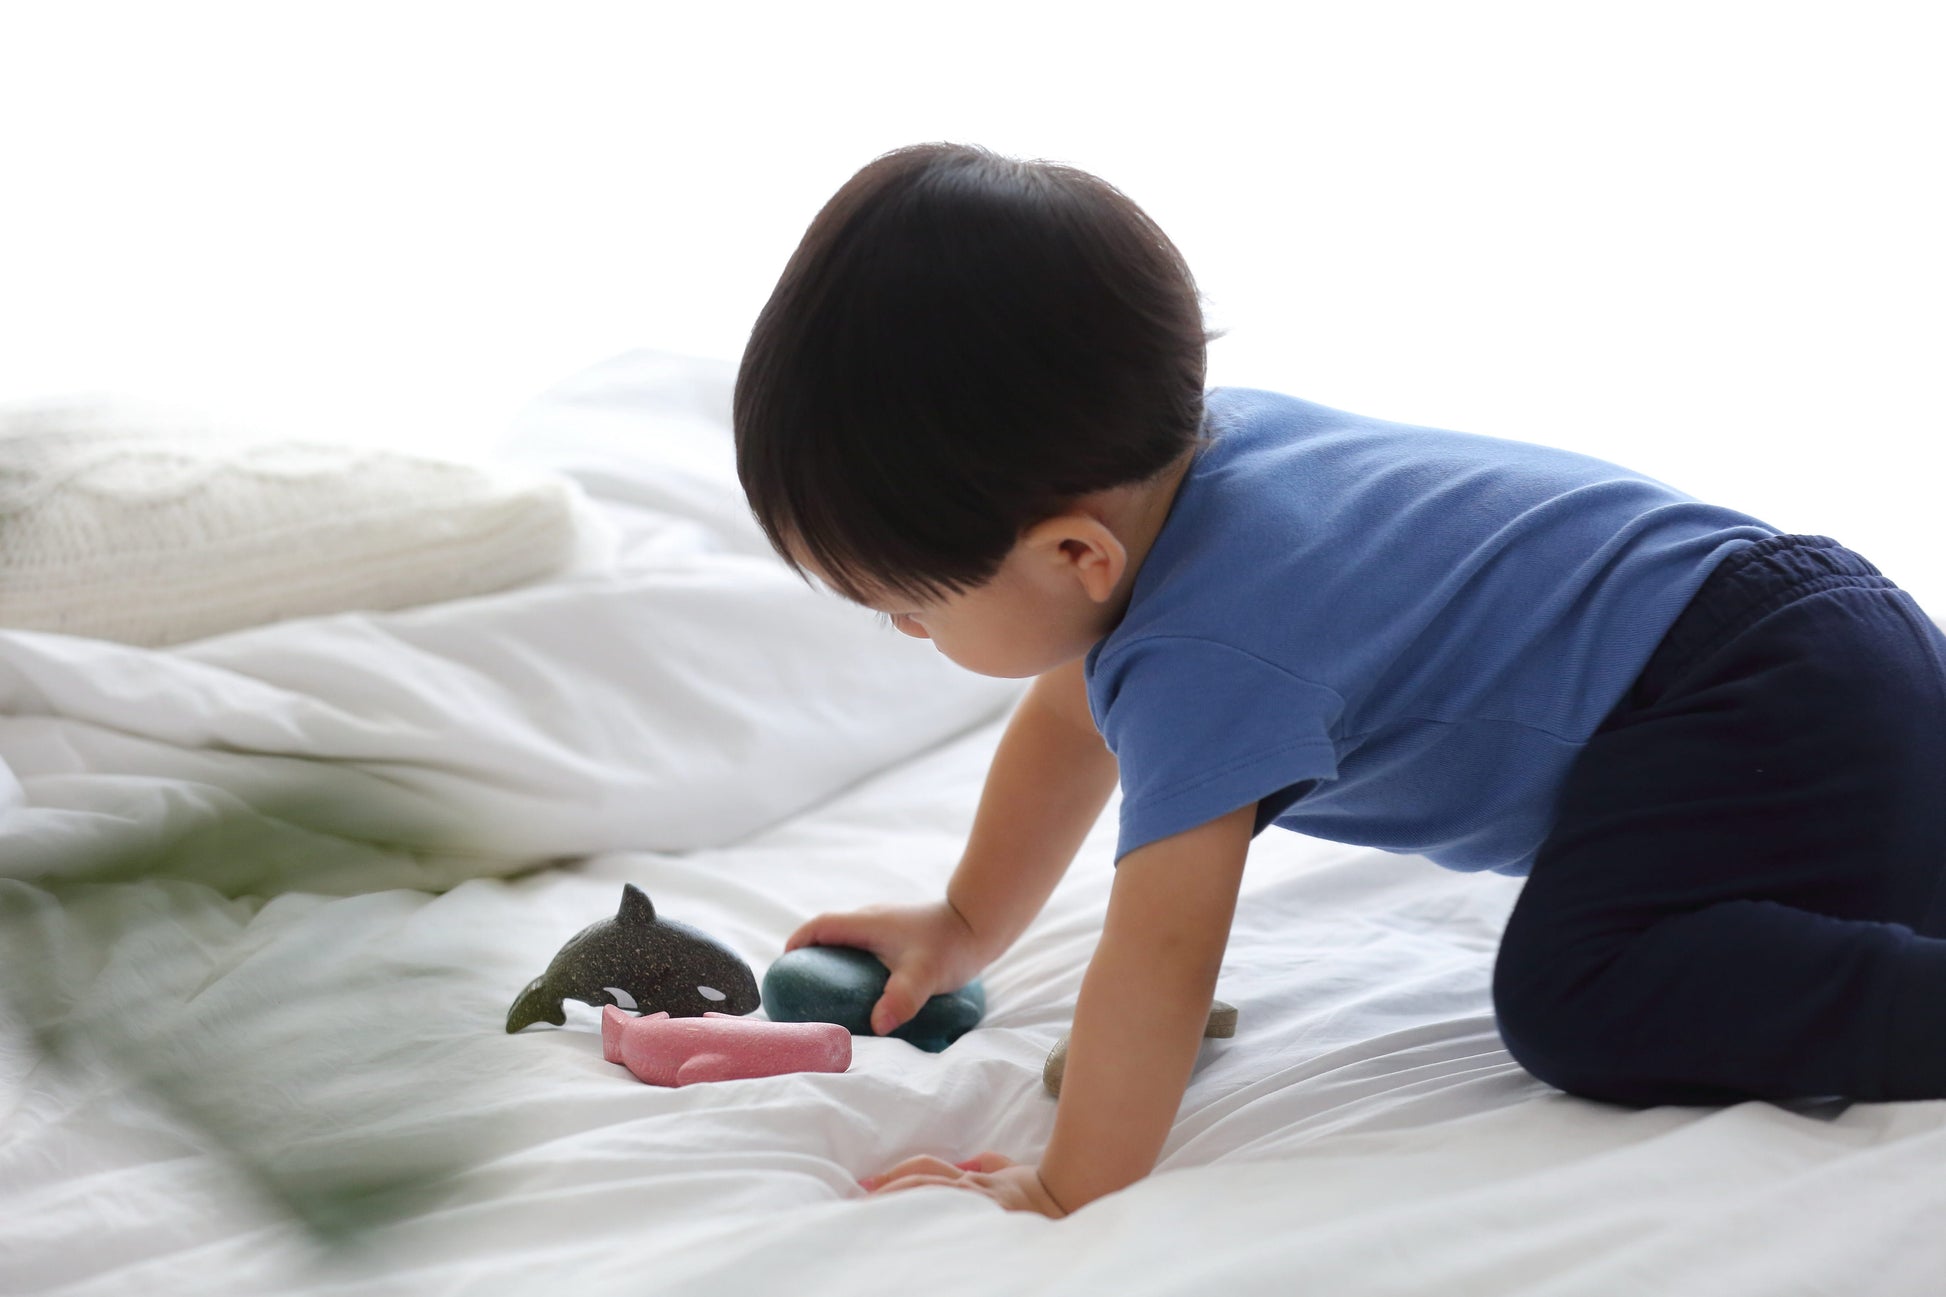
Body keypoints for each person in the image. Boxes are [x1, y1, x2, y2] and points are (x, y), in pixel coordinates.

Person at [731, 142, 1946, 1218]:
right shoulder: (1206, 468)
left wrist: (1070, 1184)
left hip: (1752, 713)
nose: (901, 631)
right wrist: (961, 925)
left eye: (908, 606)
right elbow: (1070, 721)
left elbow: (1160, 954)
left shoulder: (1200, 656)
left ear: (1072, 555)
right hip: (1819, 641)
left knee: (1574, 991)